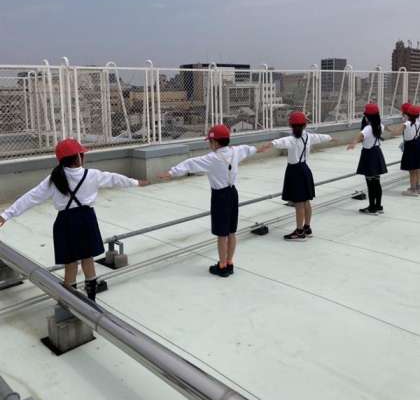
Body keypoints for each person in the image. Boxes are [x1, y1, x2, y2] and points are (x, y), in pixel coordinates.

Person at [0, 138, 148, 301]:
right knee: (88, 260)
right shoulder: (91, 175)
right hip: (86, 220)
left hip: (65, 222)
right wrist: (136, 182)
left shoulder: (54, 178)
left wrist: (6, 215)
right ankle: (91, 300)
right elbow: (115, 179)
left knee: (70, 264)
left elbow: (31, 197)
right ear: (78, 157)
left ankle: (69, 302)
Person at [158, 124, 256, 277]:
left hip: (220, 197)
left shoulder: (212, 158)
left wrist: (172, 172)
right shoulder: (235, 151)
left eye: (210, 142)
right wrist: (258, 149)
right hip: (233, 193)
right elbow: (248, 149)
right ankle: (230, 263)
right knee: (231, 232)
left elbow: (191, 163)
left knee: (222, 234)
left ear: (215, 142)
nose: (209, 145)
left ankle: (222, 266)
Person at [258, 111, 332, 241]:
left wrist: (267, 145)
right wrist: (331, 138)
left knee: (299, 203)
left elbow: (278, 142)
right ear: (305, 125)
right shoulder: (308, 137)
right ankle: (307, 228)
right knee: (306, 201)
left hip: (295, 172)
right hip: (305, 169)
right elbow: (322, 137)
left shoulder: (291, 139)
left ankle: (299, 232)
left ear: (290, 125)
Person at [347, 103, 387, 214]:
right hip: (377, 152)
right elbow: (366, 136)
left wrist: (353, 143)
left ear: (367, 116)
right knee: (377, 182)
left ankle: (372, 207)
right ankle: (378, 206)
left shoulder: (368, 128)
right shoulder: (380, 126)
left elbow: (360, 135)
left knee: (370, 183)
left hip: (369, 155)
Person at [386, 104, 420, 196]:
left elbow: (396, 132)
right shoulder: (418, 122)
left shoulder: (406, 124)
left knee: (411, 169)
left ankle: (412, 189)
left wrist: (388, 129)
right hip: (416, 144)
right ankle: (417, 187)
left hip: (410, 147)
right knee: (417, 167)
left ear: (408, 114)